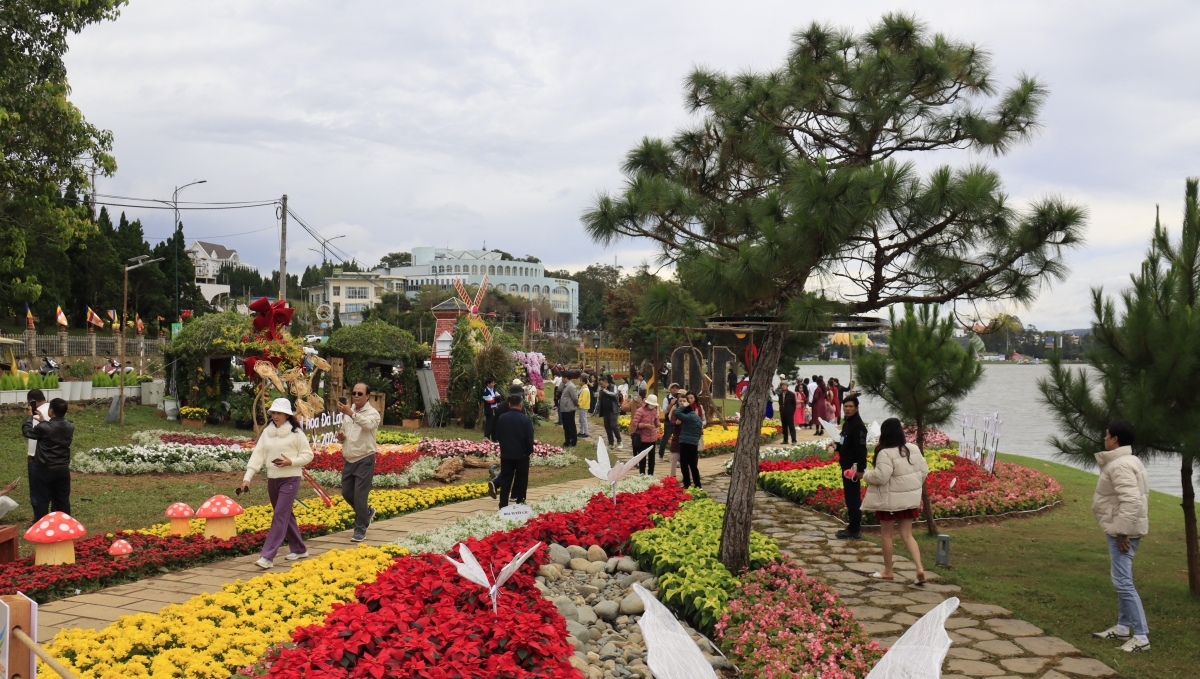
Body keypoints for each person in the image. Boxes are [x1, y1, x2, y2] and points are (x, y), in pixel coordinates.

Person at [1090, 420, 1151, 652]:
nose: (1104, 439)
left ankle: (1141, 637)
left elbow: (1132, 501)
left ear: (1115, 439)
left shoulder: (1120, 465)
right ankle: (1123, 627)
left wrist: (1122, 532)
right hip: (1124, 528)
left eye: (1107, 435)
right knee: (1122, 578)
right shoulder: (1130, 460)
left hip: (1123, 532)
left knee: (1123, 582)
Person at [242, 398, 314, 569]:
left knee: (279, 515)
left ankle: (267, 556)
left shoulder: (296, 433)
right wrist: (247, 478)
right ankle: (299, 549)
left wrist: (291, 462)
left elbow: (308, 455)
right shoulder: (267, 432)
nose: (275, 416)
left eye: (279, 413)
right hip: (273, 481)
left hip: (291, 479)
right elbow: (257, 455)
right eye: (273, 413)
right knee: (285, 514)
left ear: (287, 415)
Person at [861, 418, 928, 583]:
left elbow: (880, 477)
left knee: (887, 536)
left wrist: (865, 475)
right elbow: (924, 471)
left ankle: (888, 571)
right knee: (908, 535)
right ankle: (919, 568)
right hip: (909, 500)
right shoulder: (913, 448)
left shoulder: (885, 453)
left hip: (890, 501)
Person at [336, 382, 381, 542]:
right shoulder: (348, 413)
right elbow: (344, 432)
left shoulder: (373, 413)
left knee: (360, 496)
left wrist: (351, 413)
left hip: (364, 459)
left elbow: (368, 425)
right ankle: (366, 513)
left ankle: (360, 529)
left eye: (360, 393)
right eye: (354, 393)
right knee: (346, 493)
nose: (356, 396)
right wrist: (341, 437)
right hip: (349, 459)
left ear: (367, 396)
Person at [23, 397, 73, 521]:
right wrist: (44, 422)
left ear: (51, 411)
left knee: (43, 501)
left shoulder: (44, 428)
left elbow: (27, 432)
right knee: (63, 501)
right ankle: (64, 526)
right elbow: (53, 430)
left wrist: (29, 417)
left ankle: (42, 527)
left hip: (44, 469)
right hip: (62, 469)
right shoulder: (70, 426)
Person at [830, 395, 867, 539]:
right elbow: (844, 443)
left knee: (853, 498)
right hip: (846, 466)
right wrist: (836, 446)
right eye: (845, 406)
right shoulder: (848, 423)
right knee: (849, 497)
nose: (847, 409)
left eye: (851, 406)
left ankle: (855, 530)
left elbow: (861, 449)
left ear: (856, 408)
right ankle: (852, 527)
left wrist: (861, 469)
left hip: (853, 468)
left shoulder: (858, 425)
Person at [489, 394, 534, 508]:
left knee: (506, 479)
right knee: (522, 480)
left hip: (506, 454)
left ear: (509, 404)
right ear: (520, 405)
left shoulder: (502, 418)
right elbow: (529, 439)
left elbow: (497, 435)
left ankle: (503, 505)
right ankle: (521, 503)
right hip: (522, 455)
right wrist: (529, 451)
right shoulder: (525, 419)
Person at [22, 389, 49, 516]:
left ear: (32, 401)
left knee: (36, 491)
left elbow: (32, 436)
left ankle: (38, 519)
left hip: (37, 458)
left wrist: (30, 456)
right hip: (53, 458)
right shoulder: (52, 409)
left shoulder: (37, 413)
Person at [673, 397, 704, 488]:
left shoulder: (688, 417)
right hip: (694, 443)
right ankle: (698, 484)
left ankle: (687, 484)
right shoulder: (697, 418)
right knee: (693, 465)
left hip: (685, 443)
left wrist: (683, 405)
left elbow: (677, 413)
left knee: (684, 465)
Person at [631, 394, 661, 475]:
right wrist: (645, 425)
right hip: (642, 438)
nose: (652, 406)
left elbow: (656, 420)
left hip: (652, 438)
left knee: (652, 458)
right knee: (642, 458)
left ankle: (651, 474)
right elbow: (635, 423)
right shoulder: (640, 411)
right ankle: (642, 474)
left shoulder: (654, 411)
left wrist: (658, 425)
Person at [597, 375, 622, 448]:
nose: (601, 386)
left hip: (613, 410)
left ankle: (619, 440)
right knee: (607, 427)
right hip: (605, 411)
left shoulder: (613, 387)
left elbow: (614, 395)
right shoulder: (601, 390)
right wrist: (596, 410)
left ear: (606, 382)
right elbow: (599, 400)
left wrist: (605, 390)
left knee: (613, 426)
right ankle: (611, 443)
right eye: (600, 384)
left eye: (602, 384)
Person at [657, 383, 680, 460]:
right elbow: (664, 411)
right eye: (673, 388)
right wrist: (671, 404)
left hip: (679, 422)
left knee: (678, 439)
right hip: (669, 422)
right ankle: (661, 454)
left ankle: (677, 457)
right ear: (670, 389)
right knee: (666, 438)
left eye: (676, 388)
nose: (675, 390)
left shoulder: (680, 398)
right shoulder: (666, 399)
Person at [559, 375, 579, 447]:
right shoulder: (565, 385)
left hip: (569, 409)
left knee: (570, 426)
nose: (561, 379)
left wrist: (577, 405)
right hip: (564, 409)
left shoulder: (571, 386)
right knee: (566, 426)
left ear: (566, 378)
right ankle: (567, 440)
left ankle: (573, 441)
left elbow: (575, 398)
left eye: (562, 378)